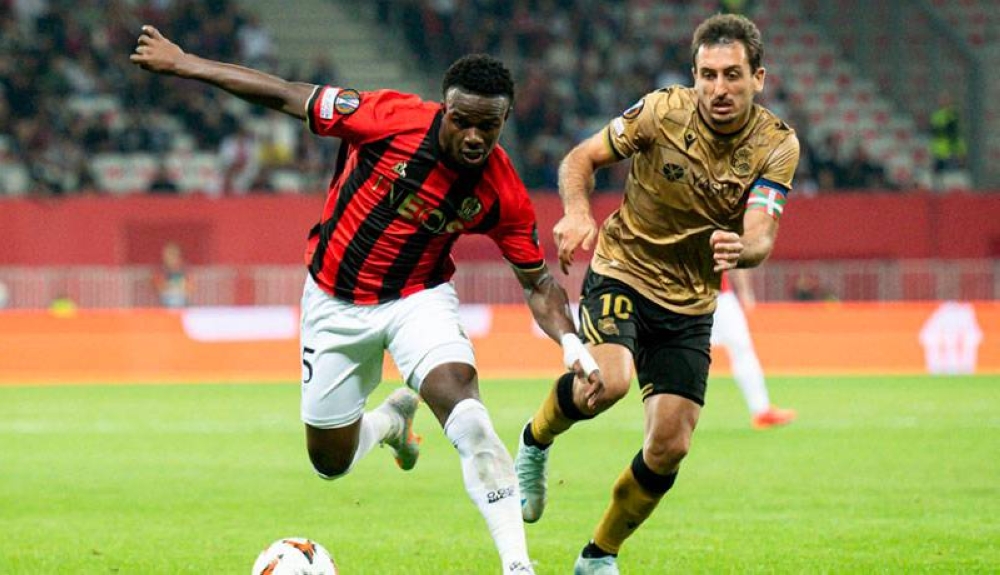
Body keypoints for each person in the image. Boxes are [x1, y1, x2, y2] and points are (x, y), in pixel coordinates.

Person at [130, 26, 602, 575]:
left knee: (468, 414)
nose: (474, 136)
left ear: (504, 122)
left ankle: (518, 565)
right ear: (443, 110)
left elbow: (538, 283)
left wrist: (569, 339)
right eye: (463, 120)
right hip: (333, 302)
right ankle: (390, 423)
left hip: (416, 300)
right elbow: (286, 93)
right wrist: (186, 62)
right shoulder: (390, 118)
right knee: (329, 463)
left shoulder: (501, 191)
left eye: (488, 126)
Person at [512, 14, 800, 574]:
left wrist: (742, 249)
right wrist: (577, 212)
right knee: (609, 382)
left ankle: (598, 556)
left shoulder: (776, 144)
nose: (719, 89)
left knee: (670, 445)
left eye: (733, 75)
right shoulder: (660, 112)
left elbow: (763, 232)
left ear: (759, 77)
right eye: (708, 75)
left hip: (691, 302)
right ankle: (535, 439)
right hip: (623, 268)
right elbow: (580, 159)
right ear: (693, 75)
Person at [711, 269, 796, 429]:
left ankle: (762, 410)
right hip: (696, 295)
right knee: (740, 350)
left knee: (741, 349)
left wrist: (744, 290)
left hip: (711, 295)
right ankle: (670, 413)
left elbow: (735, 256)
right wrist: (745, 290)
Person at [155, 241, 190, 308]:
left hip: (182, 299)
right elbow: (159, 287)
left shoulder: (184, 270)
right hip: (166, 300)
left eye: (172, 254)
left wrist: (181, 288)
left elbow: (189, 287)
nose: (169, 258)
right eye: (167, 255)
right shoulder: (161, 271)